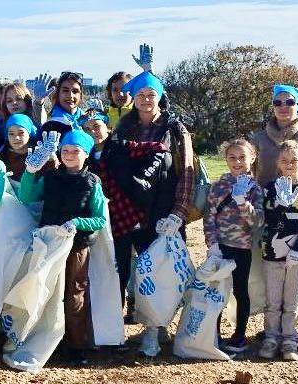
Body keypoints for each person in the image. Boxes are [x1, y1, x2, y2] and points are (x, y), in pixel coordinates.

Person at [106, 70, 196, 355]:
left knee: (161, 271)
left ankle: (155, 328)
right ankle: (131, 326)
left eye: (151, 95)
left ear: (160, 98)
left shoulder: (174, 128)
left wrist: (179, 211)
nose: (146, 100)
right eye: (141, 95)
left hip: (165, 207)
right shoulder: (124, 125)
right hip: (132, 209)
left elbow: (187, 171)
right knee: (135, 270)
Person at [17, 130, 108, 366]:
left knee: (73, 292)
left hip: (76, 245)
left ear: (85, 155)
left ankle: (76, 344)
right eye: (65, 150)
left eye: (75, 151)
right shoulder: (51, 177)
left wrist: (77, 223)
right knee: (44, 290)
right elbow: (26, 196)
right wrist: (30, 171)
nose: (69, 155)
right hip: (48, 243)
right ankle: (41, 338)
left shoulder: (92, 182)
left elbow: (100, 219)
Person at [249, 84, 298, 347]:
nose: (283, 107)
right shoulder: (259, 138)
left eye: (289, 102)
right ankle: (273, 328)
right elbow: (249, 173)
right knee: (269, 271)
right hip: (268, 215)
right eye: (278, 102)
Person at [257, 140, 298, 362]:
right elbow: (266, 219)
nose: (289, 164)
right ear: (277, 162)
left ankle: (289, 340)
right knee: (273, 301)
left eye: (294, 160)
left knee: (292, 301)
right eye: (284, 160)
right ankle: (271, 338)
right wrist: (282, 205)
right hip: (273, 250)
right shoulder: (269, 189)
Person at [201, 139, 263, 354]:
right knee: (218, 290)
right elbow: (208, 216)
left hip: (243, 248)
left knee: (240, 290)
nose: (237, 162)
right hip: (221, 247)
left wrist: (242, 203)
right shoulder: (218, 186)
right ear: (226, 159)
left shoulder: (255, 188)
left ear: (252, 158)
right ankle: (213, 333)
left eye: (242, 157)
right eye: (232, 157)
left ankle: (239, 335)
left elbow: (258, 221)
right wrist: (212, 243)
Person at [0, 113, 38, 189]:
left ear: (29, 133)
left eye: (21, 133)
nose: (16, 137)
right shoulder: (2, 157)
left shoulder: (39, 155)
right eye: (11, 134)